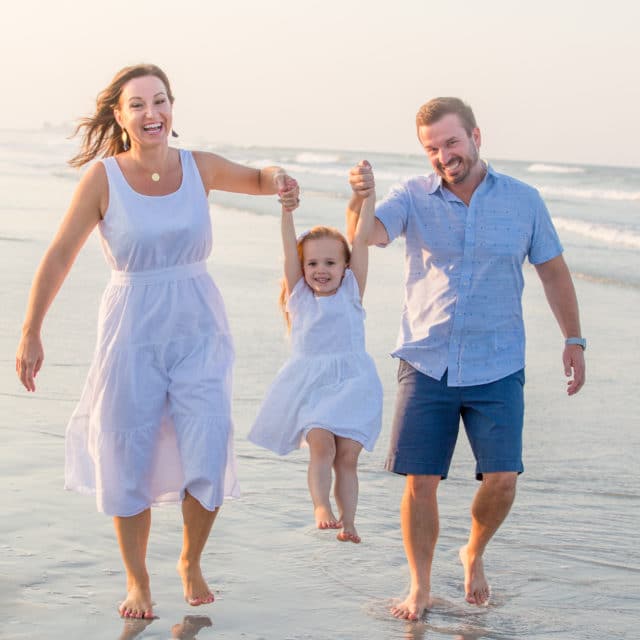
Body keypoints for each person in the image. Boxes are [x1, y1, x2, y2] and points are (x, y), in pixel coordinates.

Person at [14, 63, 299, 619]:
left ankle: (190, 559)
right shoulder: (103, 179)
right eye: (139, 104)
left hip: (198, 323)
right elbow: (59, 254)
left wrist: (280, 175)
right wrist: (31, 330)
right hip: (131, 328)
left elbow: (260, 179)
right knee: (127, 453)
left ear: (173, 108)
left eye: (161, 101)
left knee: (210, 444)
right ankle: (138, 581)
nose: (152, 113)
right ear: (120, 116)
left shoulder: (200, 167)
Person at [346, 98, 586, 619]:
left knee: (502, 478)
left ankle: (473, 552)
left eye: (451, 142)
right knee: (421, 482)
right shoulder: (410, 194)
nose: (442, 155)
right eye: (431, 147)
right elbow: (366, 237)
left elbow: (553, 272)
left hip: (498, 362)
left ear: (476, 135)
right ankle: (420, 587)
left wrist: (574, 339)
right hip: (426, 358)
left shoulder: (524, 200)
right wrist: (360, 199)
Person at [248, 164, 383, 544]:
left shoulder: (352, 291)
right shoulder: (300, 297)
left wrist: (369, 197)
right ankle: (321, 506)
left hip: (354, 383)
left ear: (344, 268)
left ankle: (350, 521)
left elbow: (360, 240)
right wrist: (286, 212)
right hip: (313, 385)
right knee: (321, 445)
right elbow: (288, 248)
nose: (320, 270)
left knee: (349, 458)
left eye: (329, 263)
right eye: (312, 263)